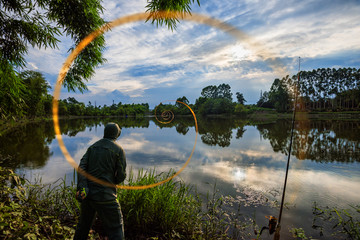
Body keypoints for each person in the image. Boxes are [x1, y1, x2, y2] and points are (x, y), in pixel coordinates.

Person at [74, 122, 127, 240]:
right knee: (116, 229)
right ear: (116, 134)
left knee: (83, 227)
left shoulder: (92, 147)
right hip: (107, 197)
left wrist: (83, 188)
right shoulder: (118, 150)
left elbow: (82, 167)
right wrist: (113, 182)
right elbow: (121, 175)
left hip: (89, 196)